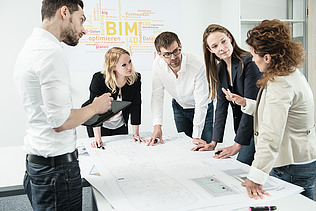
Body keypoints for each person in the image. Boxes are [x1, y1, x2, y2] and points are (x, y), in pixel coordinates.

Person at [13, 0, 113, 210]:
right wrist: (96, 107)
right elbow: (61, 121)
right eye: (81, 20)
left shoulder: (31, 46)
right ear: (65, 12)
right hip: (57, 173)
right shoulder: (51, 52)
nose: (83, 30)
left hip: (39, 165)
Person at [223, 19, 316, 200]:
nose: (252, 59)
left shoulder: (281, 84)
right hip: (300, 161)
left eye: (253, 54)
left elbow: (270, 134)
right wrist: (246, 104)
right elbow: (279, 112)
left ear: (267, 57)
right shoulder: (289, 73)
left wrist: (255, 177)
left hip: (290, 166)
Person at [192, 24, 262, 165]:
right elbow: (221, 108)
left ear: (230, 38)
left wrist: (237, 145)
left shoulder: (249, 62)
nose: (222, 48)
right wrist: (213, 142)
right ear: (210, 50)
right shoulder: (220, 68)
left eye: (223, 41)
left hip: (257, 128)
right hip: (243, 130)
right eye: (215, 46)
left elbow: (250, 107)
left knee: (241, 167)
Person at [148, 31, 213, 146]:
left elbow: (201, 101)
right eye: (167, 54)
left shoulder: (197, 65)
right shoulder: (157, 65)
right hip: (179, 107)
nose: (173, 57)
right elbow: (157, 96)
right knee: (186, 145)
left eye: (175, 51)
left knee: (204, 145)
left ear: (180, 46)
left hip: (202, 108)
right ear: (159, 54)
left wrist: (196, 135)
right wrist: (157, 126)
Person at [82, 47, 145, 148]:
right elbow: (95, 109)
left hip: (120, 124)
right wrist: (97, 138)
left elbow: (136, 106)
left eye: (130, 62)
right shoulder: (99, 79)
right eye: (124, 65)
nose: (129, 67)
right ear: (113, 67)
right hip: (99, 125)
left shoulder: (135, 79)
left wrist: (136, 134)